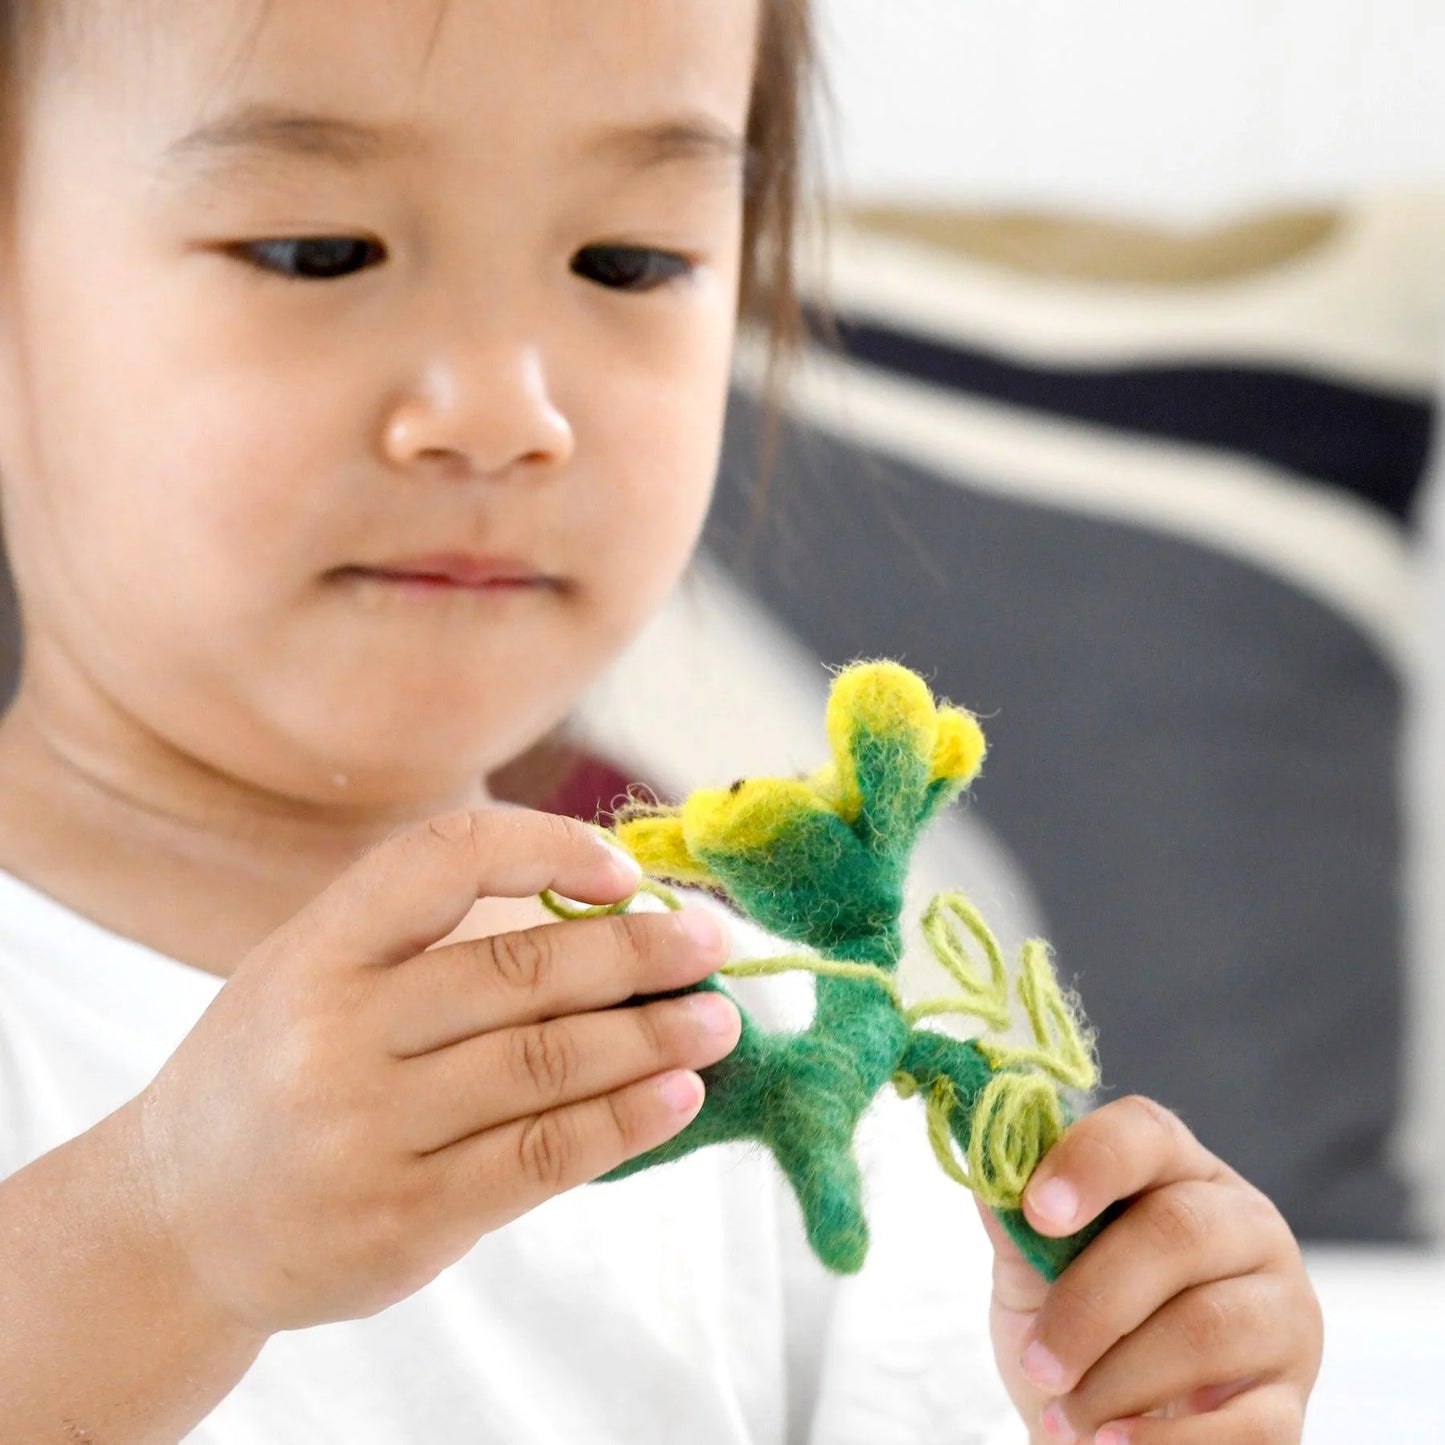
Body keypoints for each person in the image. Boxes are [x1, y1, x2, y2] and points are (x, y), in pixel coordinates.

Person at [0, 2, 1321, 1441]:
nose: (506, 410)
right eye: (320, 250)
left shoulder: (775, 1048)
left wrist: (1135, 1391)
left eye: (626, 260)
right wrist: (163, 1237)